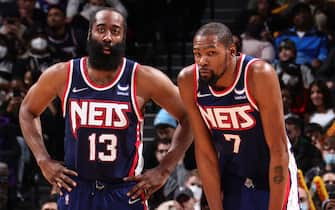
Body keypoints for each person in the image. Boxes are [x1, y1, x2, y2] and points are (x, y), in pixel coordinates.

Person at [19, 7, 192, 210]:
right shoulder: (64, 74)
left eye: (115, 31)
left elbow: (189, 115)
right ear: (90, 33)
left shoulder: (143, 78)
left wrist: (164, 169)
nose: (108, 37)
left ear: (124, 37)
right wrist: (43, 160)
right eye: (101, 29)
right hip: (77, 187)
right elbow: (27, 111)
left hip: (124, 190)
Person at [177, 22, 299, 210]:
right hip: (232, 170)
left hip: (271, 168)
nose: (202, 61)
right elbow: (204, 151)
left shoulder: (258, 74)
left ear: (232, 51)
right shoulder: (188, 80)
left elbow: (278, 149)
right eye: (197, 54)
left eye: (211, 53)